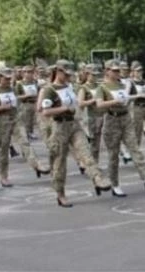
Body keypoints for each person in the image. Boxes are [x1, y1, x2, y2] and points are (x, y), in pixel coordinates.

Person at [41, 60, 112, 207]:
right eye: (65, 74)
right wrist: (64, 108)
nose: (68, 77)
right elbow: (45, 112)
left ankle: (98, 178)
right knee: (60, 162)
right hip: (59, 126)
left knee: (86, 152)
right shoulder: (50, 90)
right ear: (58, 72)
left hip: (74, 124)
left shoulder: (70, 86)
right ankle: (60, 193)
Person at [95, 60, 145, 197]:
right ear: (107, 71)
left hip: (125, 118)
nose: (118, 73)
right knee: (113, 155)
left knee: (134, 147)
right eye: (114, 70)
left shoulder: (123, 85)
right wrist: (114, 101)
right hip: (112, 119)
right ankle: (115, 184)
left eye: (119, 70)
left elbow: (128, 98)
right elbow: (99, 104)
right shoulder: (103, 87)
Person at [0, 67, 49, 187]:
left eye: (9, 78)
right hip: (2, 122)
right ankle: (4, 176)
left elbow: (16, 101)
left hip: (16, 119)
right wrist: (0, 108)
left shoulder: (12, 89)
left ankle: (37, 165)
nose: (8, 81)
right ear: (0, 78)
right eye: (6, 78)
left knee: (25, 142)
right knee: (3, 150)